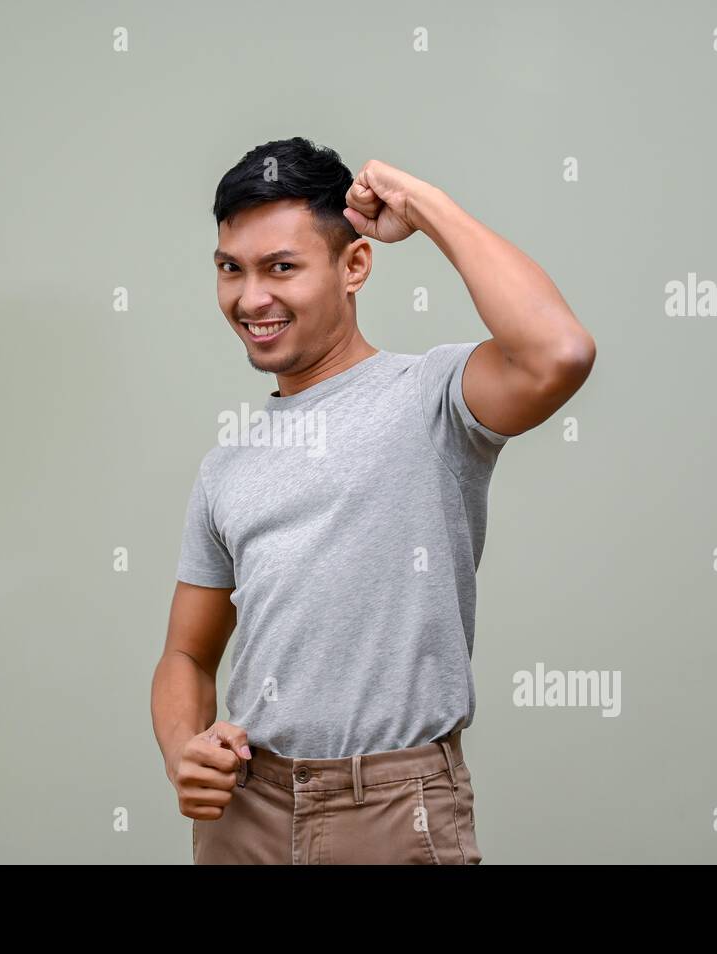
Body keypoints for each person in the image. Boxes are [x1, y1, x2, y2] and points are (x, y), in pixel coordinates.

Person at [150, 137, 596, 864]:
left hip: (394, 809)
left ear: (354, 265)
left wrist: (423, 205)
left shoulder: (431, 397)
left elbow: (560, 352)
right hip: (245, 814)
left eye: (281, 267)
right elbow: (186, 655)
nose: (250, 297)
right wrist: (183, 750)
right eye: (231, 269)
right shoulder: (225, 464)